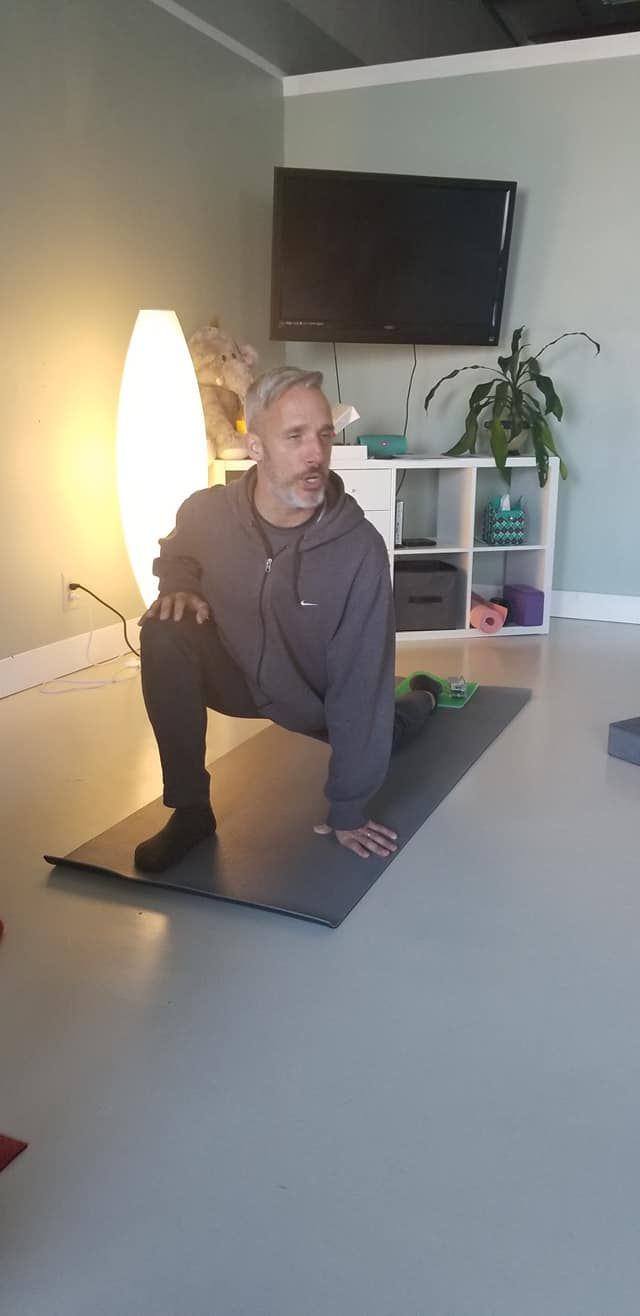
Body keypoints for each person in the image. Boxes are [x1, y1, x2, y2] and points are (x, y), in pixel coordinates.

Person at [135, 366, 439, 873]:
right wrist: (178, 585)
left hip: (313, 697)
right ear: (255, 447)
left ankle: (422, 696)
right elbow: (179, 550)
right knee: (164, 630)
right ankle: (189, 812)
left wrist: (348, 810)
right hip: (236, 675)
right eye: (295, 437)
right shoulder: (208, 512)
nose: (316, 454)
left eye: (324, 435)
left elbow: (358, 685)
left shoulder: (358, 551)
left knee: (385, 729)